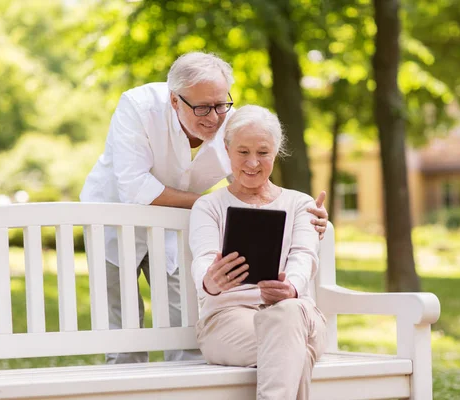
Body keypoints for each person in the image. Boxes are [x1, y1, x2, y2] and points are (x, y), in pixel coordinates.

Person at [80, 52, 328, 364]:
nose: (214, 117)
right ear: (174, 101)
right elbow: (135, 188)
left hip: (175, 226)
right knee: (123, 332)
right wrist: (208, 206)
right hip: (114, 221)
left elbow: (251, 183)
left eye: (221, 104)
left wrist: (304, 213)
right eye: (202, 108)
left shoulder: (229, 121)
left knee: (185, 324)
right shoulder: (138, 107)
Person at [189, 105, 327, 400]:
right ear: (227, 150)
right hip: (228, 321)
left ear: (275, 152)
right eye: (243, 152)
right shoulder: (209, 206)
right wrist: (209, 282)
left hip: (298, 316)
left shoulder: (301, 205)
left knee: (288, 313)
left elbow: (304, 256)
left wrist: (291, 288)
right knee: (295, 354)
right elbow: (203, 257)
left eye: (263, 152)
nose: (253, 162)